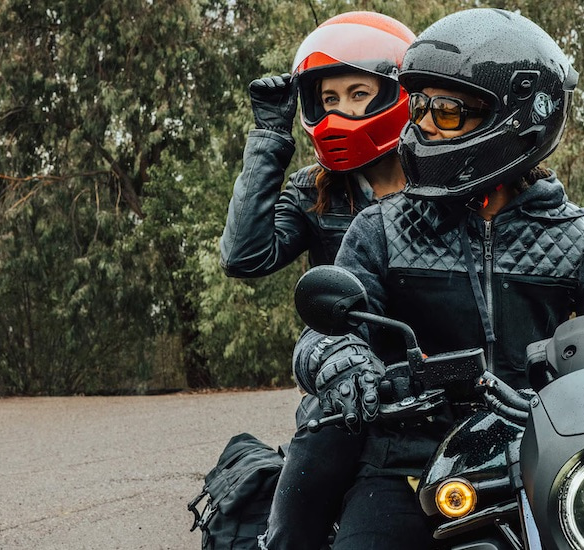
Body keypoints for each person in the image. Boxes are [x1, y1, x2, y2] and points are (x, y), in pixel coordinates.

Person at [290, 8, 584, 549]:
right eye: (420, 107)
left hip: (542, 455)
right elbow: (322, 332)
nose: (424, 125)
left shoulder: (577, 237)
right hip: (407, 462)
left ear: (510, 120)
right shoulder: (382, 228)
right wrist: (341, 358)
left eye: (448, 110)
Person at [217, 11, 415, 550]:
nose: (342, 111)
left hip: (432, 383)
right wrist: (268, 138)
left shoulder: (441, 184)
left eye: (358, 93)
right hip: (341, 385)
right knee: (294, 529)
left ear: (397, 93)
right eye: (329, 100)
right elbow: (243, 256)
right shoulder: (316, 190)